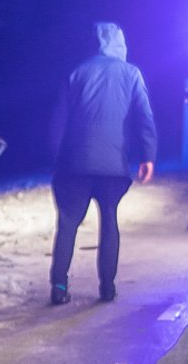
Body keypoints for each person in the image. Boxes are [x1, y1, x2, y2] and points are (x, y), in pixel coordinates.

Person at [48, 22, 156, 304]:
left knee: (68, 223)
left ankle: (59, 287)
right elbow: (144, 118)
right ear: (121, 44)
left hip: (75, 165)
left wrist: (55, 158)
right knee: (109, 220)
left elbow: (58, 120)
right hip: (113, 166)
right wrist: (148, 156)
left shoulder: (76, 73)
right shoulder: (131, 74)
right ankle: (107, 287)